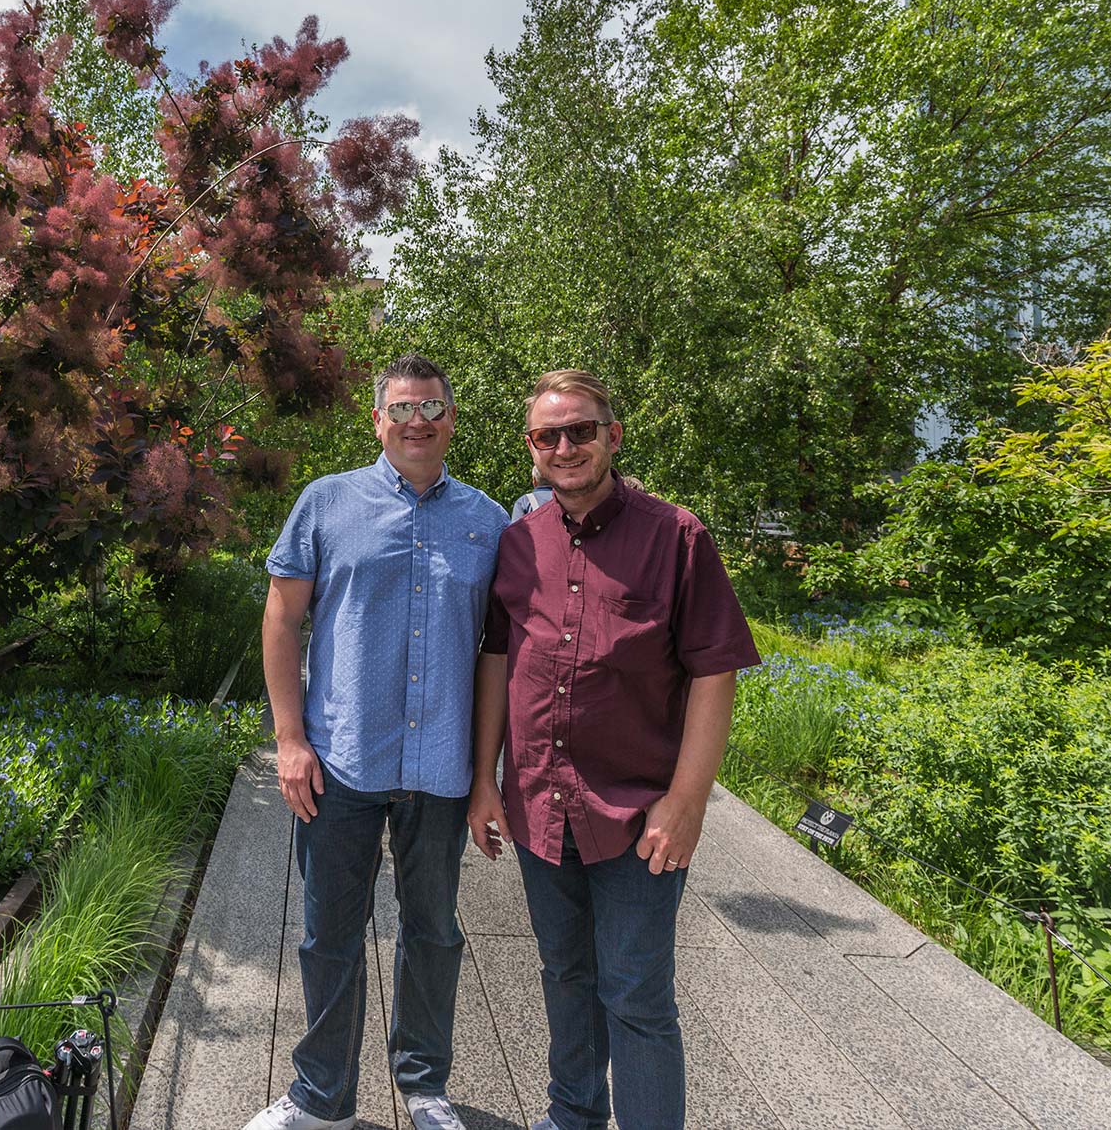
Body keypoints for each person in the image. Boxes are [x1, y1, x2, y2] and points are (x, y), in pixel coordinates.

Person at [467, 369, 759, 1130]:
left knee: (634, 995)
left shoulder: (676, 535)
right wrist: (484, 779)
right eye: (547, 435)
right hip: (538, 804)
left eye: (580, 431)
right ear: (531, 449)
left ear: (612, 436)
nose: (565, 447)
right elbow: (498, 657)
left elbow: (714, 669)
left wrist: (687, 802)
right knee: (565, 975)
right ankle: (573, 1116)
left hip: (636, 816)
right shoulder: (518, 542)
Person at [245, 353, 510, 1130]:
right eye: (401, 409)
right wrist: (289, 740)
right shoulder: (327, 503)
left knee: (433, 929)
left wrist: (489, 772)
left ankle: (424, 1086)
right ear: (377, 420)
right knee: (330, 932)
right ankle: (321, 1096)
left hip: (442, 767)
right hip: (342, 760)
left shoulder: (489, 522)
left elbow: (498, 648)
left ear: (452, 419)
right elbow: (282, 619)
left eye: (431, 408)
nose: (417, 421)